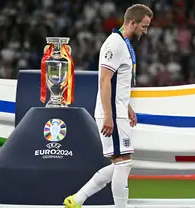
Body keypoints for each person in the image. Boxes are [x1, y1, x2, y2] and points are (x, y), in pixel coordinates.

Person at [63, 3, 153, 208]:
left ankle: (77, 199)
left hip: (118, 110)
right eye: (144, 26)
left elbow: (117, 83)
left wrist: (127, 107)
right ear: (132, 22)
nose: (145, 31)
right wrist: (109, 115)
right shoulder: (115, 44)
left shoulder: (123, 43)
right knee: (124, 163)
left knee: (120, 164)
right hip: (111, 112)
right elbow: (104, 80)